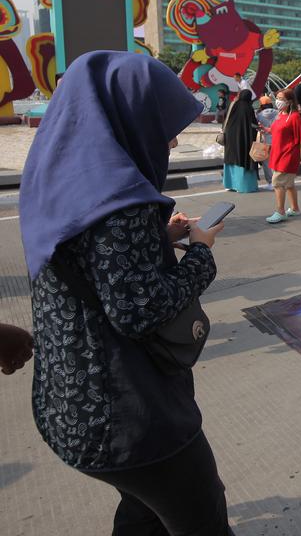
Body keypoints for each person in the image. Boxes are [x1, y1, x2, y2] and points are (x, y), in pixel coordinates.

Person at [19, 51, 232, 534]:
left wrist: (159, 239)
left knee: (143, 513)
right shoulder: (123, 203)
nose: (173, 138)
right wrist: (199, 252)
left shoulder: (57, 180)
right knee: (202, 516)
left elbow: (90, 261)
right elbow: (140, 311)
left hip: (68, 404)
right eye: (164, 123)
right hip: (130, 415)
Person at [265, 89, 301, 223]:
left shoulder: (295, 117)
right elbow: (274, 129)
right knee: (289, 184)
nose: (277, 101)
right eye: (277, 98)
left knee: (277, 182)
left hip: (288, 154)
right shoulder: (280, 114)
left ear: (289, 102)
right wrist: (265, 129)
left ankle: (280, 211)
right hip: (277, 153)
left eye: (281, 99)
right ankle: (295, 209)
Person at [221, 89, 259, 193]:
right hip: (244, 139)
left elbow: (225, 119)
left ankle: (230, 184)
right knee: (243, 159)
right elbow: (254, 125)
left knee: (231, 158)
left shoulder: (232, 105)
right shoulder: (248, 108)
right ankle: (244, 186)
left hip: (230, 137)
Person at [256, 94, 278, 189]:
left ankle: (270, 183)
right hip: (278, 141)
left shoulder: (259, 115)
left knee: (266, 163)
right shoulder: (278, 113)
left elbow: (257, 128)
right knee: (278, 162)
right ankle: (279, 181)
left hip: (265, 141)